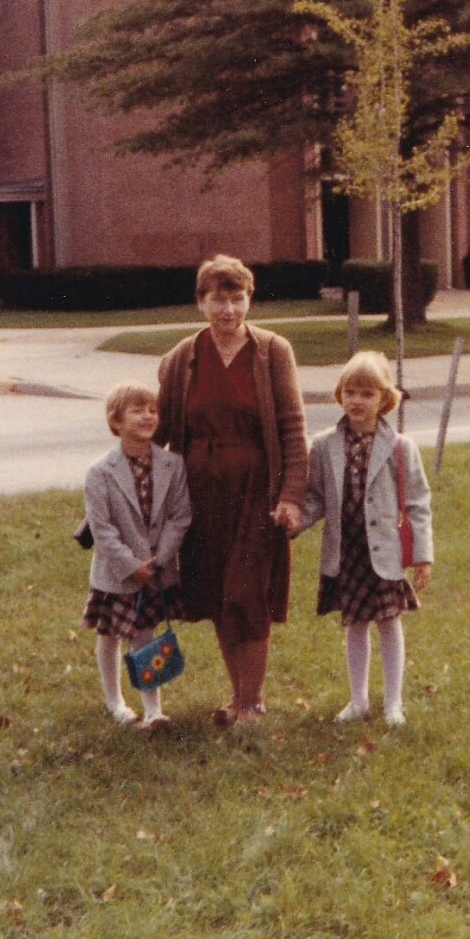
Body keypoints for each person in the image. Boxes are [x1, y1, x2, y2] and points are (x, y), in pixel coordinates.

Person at [156, 254, 308, 725]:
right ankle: (237, 698)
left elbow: (292, 428)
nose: (228, 310)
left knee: (249, 592)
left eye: (237, 298)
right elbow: (160, 430)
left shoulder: (272, 351)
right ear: (201, 302)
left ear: (249, 299)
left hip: (256, 490)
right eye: (218, 300)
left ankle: (254, 699)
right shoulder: (182, 357)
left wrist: (291, 495)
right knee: (219, 592)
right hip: (199, 492)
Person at [300, 351, 433, 727]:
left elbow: (418, 502)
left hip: (385, 553)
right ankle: (357, 699)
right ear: (339, 395)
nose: (357, 401)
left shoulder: (400, 447)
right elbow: (315, 498)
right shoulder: (324, 445)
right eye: (350, 392)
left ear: (384, 399)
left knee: (390, 622)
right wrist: (293, 524)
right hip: (348, 551)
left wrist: (422, 554)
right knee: (354, 623)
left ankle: (393, 702)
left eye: (367, 394)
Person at [82, 381, 192, 733]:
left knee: (146, 632)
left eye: (152, 410)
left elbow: (180, 515)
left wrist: (159, 559)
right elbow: (102, 529)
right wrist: (131, 565)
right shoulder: (99, 472)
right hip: (117, 571)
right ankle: (114, 700)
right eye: (137, 410)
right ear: (116, 421)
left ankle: (153, 709)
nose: (147, 416)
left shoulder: (172, 465)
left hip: (157, 566)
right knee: (111, 633)